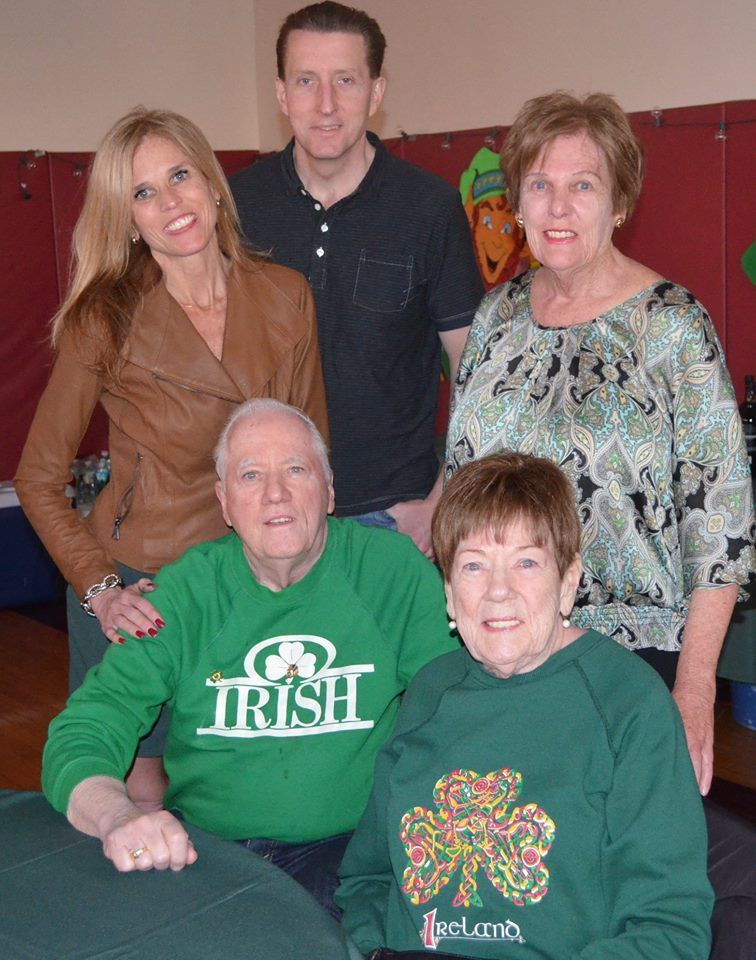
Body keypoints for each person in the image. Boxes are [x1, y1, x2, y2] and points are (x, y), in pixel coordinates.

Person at [14, 108, 328, 810]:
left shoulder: (287, 296)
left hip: (252, 582)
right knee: (144, 794)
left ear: (213, 184)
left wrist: (308, 581)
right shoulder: (105, 319)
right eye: (143, 192)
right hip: (144, 589)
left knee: (244, 787)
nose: (170, 202)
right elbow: (37, 479)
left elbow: (311, 457)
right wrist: (100, 590)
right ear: (127, 220)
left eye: (179, 175)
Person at [445, 91, 755, 796]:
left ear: (618, 204)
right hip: (504, 640)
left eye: (582, 185)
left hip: (633, 660)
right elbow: (465, 485)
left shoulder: (672, 326)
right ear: (517, 204)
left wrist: (696, 686)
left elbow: (722, 529)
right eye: (540, 186)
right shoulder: (496, 317)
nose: (558, 208)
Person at [41, 400, 458, 919]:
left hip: (352, 858)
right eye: (250, 474)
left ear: (329, 491)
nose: (275, 492)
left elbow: (456, 713)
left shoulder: (392, 573)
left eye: (296, 469)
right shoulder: (186, 593)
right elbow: (86, 727)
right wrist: (116, 816)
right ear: (224, 502)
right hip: (210, 855)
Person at [336, 453, 713, 959]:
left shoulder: (628, 703)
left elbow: (670, 927)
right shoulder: (428, 692)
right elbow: (368, 877)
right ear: (448, 592)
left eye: (526, 562)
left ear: (568, 581)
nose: (498, 592)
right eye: (473, 565)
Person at [231, 1, 483, 556]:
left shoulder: (428, 207)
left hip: (392, 519)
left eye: (345, 80)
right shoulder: (237, 204)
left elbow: (476, 371)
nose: (326, 104)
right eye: (306, 81)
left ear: (376, 92)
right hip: (265, 518)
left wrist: (440, 504)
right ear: (282, 94)